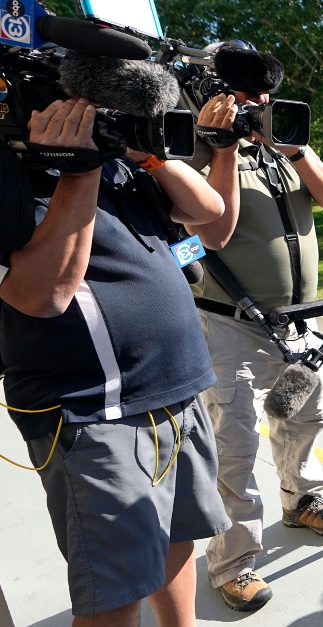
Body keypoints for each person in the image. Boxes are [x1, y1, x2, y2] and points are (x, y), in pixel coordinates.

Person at [0, 96, 229, 626]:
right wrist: (77, 170)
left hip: (176, 391)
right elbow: (42, 296)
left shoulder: (121, 160)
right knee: (116, 589)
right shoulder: (14, 170)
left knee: (176, 536)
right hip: (94, 413)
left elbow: (208, 213)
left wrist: (145, 149)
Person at [185, 41, 323, 612]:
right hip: (230, 326)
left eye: (266, 96)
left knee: (299, 417)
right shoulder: (194, 155)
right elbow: (213, 232)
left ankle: (301, 501)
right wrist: (221, 147)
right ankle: (232, 562)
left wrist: (296, 151)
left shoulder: (283, 147)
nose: (259, 106)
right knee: (232, 443)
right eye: (247, 95)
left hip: (294, 327)